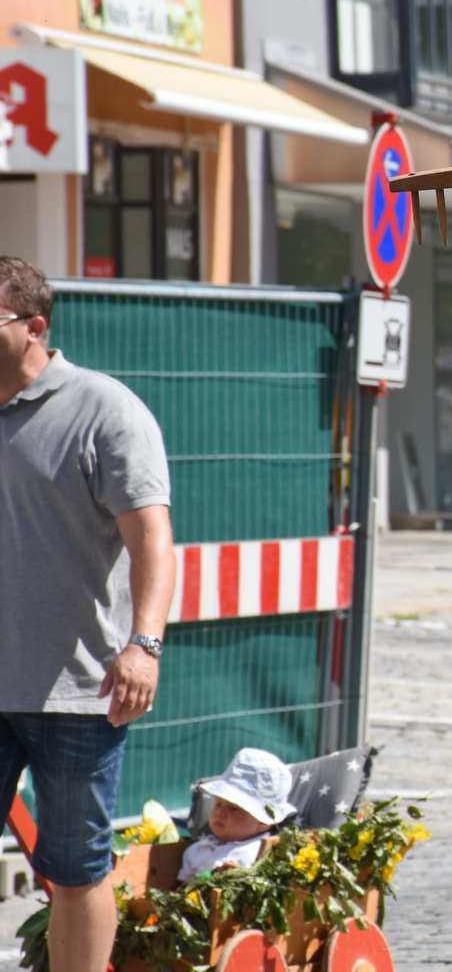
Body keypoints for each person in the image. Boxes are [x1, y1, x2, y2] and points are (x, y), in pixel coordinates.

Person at [0, 257, 175, 972]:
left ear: (34, 326)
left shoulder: (105, 409)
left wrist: (145, 645)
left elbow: (152, 537)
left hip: (78, 689)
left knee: (75, 869)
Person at [178, 748, 297, 882]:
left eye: (234, 808)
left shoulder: (266, 853)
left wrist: (242, 877)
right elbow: (181, 887)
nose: (220, 813)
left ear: (263, 822)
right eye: (218, 804)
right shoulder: (196, 851)